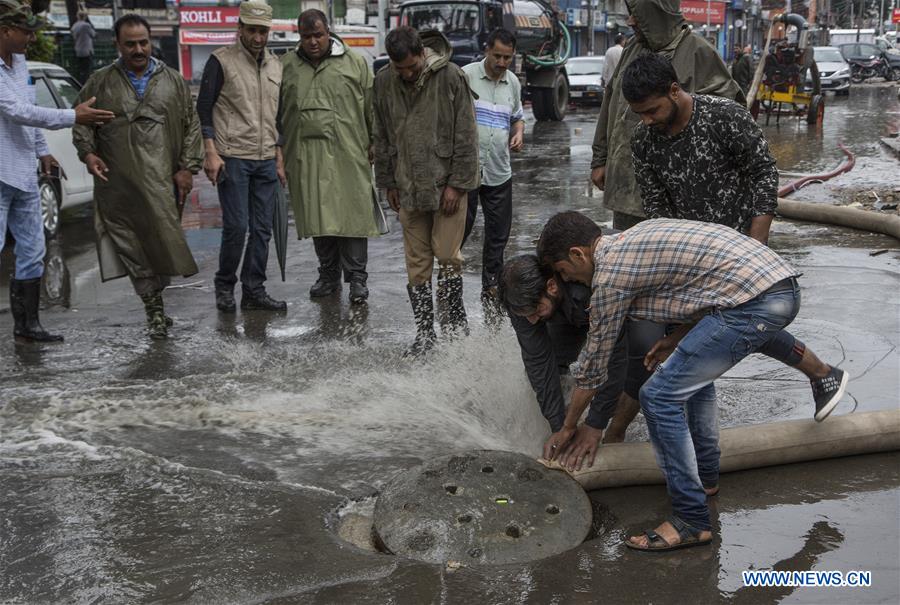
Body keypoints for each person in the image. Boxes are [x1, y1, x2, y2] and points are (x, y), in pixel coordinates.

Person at [537, 211, 849, 552]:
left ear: (578, 254)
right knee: (691, 373)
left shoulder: (610, 277)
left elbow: (596, 363)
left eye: (566, 272)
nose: (572, 282)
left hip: (759, 301)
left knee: (658, 396)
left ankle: (691, 519)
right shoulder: (631, 239)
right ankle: (706, 478)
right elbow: (705, 292)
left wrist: (571, 426)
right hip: (767, 285)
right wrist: (677, 339)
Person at [73, 14, 202, 340]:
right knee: (132, 247)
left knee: (162, 244)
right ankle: (154, 309)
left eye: (143, 42)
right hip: (119, 186)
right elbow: (81, 122)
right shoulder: (100, 82)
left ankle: (156, 299)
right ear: (118, 44)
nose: (138, 49)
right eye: (130, 44)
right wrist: (88, 154)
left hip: (163, 183)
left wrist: (188, 167)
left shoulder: (173, 81)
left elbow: (192, 126)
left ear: (150, 41)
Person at [1, 0, 113, 342]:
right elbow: (15, 110)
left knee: (34, 250)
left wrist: (43, 150)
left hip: (23, 171)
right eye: (26, 32)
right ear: (5, 30)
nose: (31, 39)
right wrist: (72, 116)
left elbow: (31, 107)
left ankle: (27, 327)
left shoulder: (19, 63)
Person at [590, 0, 743, 230]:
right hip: (626, 184)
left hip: (680, 189)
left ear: (658, 13)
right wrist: (600, 158)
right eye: (630, 14)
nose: (631, 21)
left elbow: (731, 115)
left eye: (638, 15)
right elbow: (610, 100)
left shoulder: (698, 51)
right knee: (631, 253)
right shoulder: (632, 48)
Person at [373, 26, 479, 356]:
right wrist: (387, 182)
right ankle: (425, 334)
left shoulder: (451, 77)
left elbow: (466, 135)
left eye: (412, 67)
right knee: (416, 265)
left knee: (448, 256)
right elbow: (381, 134)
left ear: (422, 53)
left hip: (446, 185)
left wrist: (457, 185)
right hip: (407, 187)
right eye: (399, 68)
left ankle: (456, 323)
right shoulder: (383, 81)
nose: (406, 74)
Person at [498, 254, 651, 457]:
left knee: (639, 363)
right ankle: (570, 425)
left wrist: (595, 423)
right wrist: (560, 428)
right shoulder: (521, 303)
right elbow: (539, 362)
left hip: (627, 303)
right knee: (556, 367)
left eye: (535, 311)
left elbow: (613, 359)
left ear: (551, 286)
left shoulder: (586, 284)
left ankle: (615, 433)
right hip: (568, 309)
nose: (532, 321)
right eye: (526, 315)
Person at [279, 9, 380, 304]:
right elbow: (275, 113)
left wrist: (374, 142)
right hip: (306, 156)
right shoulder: (287, 66)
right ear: (300, 36)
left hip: (349, 152)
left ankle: (358, 281)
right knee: (318, 215)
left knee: (353, 217)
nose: (312, 42)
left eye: (318, 35)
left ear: (329, 32)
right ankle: (328, 276)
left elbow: (371, 107)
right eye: (307, 36)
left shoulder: (354, 63)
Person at [624, 54, 777, 243]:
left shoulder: (725, 117)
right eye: (639, 113)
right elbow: (654, 202)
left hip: (739, 243)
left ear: (674, 91)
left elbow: (764, 174)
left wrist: (757, 244)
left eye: (652, 111)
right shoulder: (643, 139)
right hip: (688, 248)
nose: (646, 121)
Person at [197, 1, 286, 314]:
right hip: (232, 156)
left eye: (263, 31)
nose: (258, 37)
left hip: (265, 159)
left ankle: (254, 290)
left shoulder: (277, 65)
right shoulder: (220, 61)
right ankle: (224, 286)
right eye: (252, 30)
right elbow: (204, 108)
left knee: (263, 229)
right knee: (237, 227)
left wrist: (279, 155)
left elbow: (279, 115)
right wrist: (210, 152)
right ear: (240, 28)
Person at [461, 28, 524, 318]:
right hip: (467, 172)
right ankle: (450, 288)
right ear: (487, 49)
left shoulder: (512, 82)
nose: (502, 62)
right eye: (497, 55)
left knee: (497, 237)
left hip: (499, 171)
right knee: (458, 233)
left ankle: (491, 288)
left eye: (507, 57)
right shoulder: (466, 76)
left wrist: (518, 134)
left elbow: (517, 118)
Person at [70, 11, 95, 85]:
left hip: (77, 50)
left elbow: (73, 35)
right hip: (87, 51)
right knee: (87, 69)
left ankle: (79, 83)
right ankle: (86, 83)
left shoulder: (74, 26)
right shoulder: (86, 25)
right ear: (85, 17)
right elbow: (93, 34)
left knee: (80, 68)